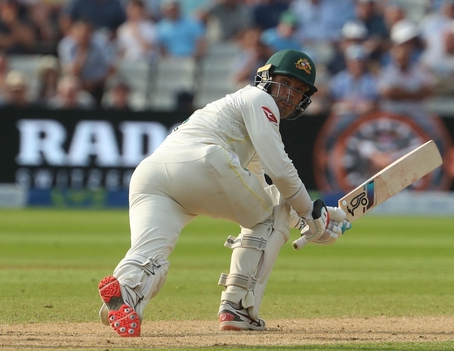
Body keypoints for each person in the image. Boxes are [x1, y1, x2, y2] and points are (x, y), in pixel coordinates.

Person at [97, 49, 349, 337]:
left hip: (153, 174)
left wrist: (311, 218)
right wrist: (309, 212)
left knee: (149, 255)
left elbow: (259, 191)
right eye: (286, 83)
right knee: (269, 212)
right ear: (265, 79)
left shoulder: (236, 114)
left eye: (299, 90)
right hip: (202, 162)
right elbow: (279, 171)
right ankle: (238, 307)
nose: (290, 94)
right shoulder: (259, 98)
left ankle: (124, 293)